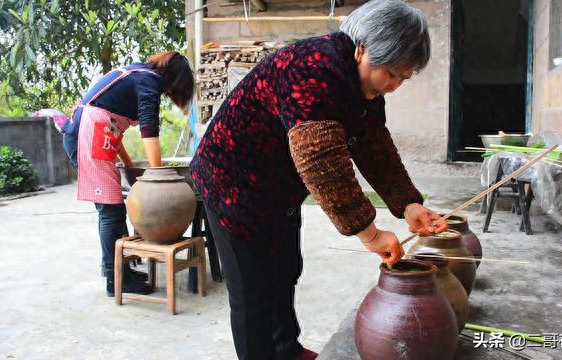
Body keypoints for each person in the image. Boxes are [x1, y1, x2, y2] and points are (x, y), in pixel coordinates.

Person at [190, 1, 447, 359]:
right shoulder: (311, 68)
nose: (393, 86)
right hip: (231, 180)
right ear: (362, 49)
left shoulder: (365, 88)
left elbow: (373, 144)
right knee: (253, 290)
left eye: (402, 78)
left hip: (278, 186)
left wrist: (408, 203)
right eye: (390, 73)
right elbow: (321, 160)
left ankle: (287, 350)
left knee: (285, 269)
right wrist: (369, 233)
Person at [62, 51, 195, 297]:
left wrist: (130, 164)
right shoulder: (149, 81)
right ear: (175, 80)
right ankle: (116, 280)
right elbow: (148, 128)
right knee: (111, 212)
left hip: (92, 135)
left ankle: (115, 270)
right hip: (87, 137)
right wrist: (158, 176)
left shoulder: (137, 73)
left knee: (112, 211)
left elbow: (111, 126)